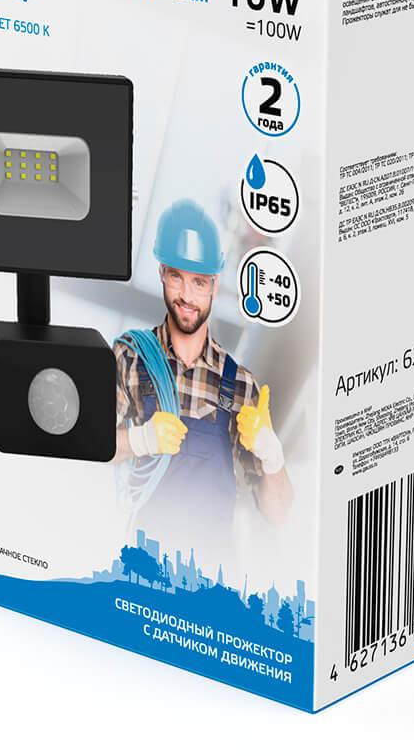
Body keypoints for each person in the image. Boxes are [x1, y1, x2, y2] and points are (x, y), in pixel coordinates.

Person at [114, 199, 292, 558]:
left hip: (213, 571)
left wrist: (273, 457)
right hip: (143, 564)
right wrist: (139, 439)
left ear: (215, 283)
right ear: (161, 273)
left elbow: (278, 513)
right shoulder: (131, 357)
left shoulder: (240, 385)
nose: (187, 296)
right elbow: (89, 450)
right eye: (176, 277)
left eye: (199, 282)